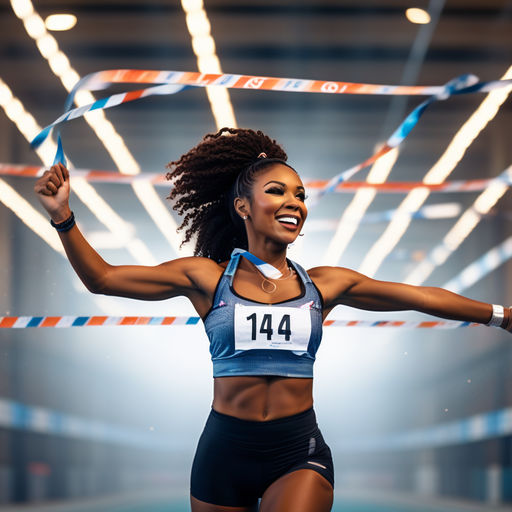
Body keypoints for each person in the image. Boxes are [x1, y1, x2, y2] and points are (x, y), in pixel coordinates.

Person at [34, 127, 511, 512]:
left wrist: (502, 316)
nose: (294, 202)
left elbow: (419, 296)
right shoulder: (206, 278)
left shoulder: (325, 284)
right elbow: (103, 279)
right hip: (223, 451)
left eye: (300, 195)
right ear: (243, 206)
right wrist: (63, 218)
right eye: (277, 191)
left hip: (296, 449)